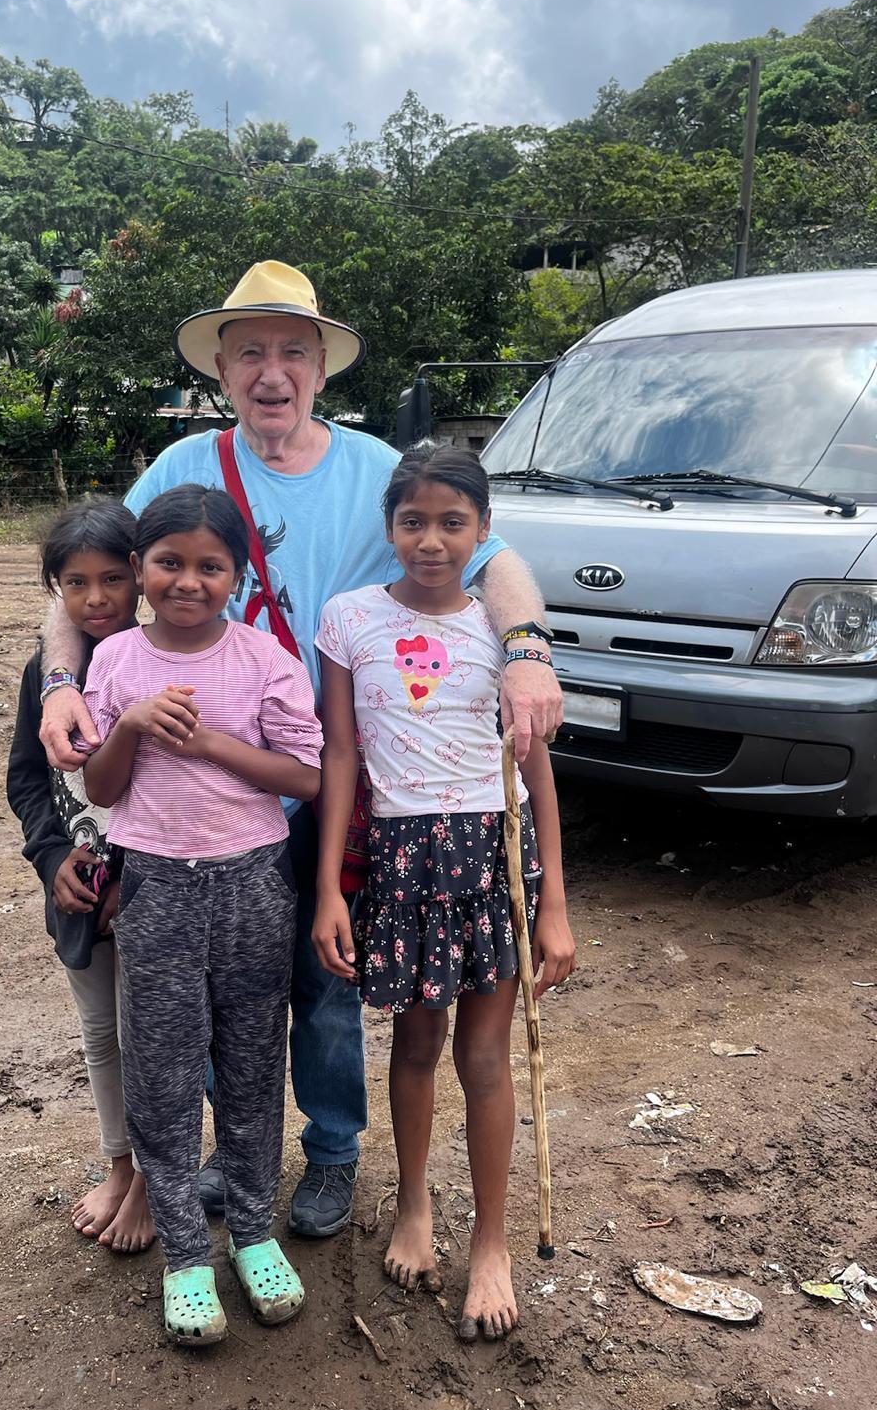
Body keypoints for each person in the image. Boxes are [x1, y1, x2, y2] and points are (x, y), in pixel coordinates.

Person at [38, 260, 565, 1238]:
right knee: (207, 986)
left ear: (321, 365)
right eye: (250, 354)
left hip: (331, 779)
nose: (270, 372)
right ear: (224, 371)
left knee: (326, 980)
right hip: (199, 792)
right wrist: (63, 681)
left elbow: (502, 564)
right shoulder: (179, 473)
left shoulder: (380, 473)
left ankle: (330, 1152)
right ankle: (233, 1152)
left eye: (290, 351)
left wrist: (528, 651)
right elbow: (82, 585)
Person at [312, 442, 576, 1342]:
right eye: (413, 521)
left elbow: (536, 775)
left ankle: (493, 1242)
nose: (431, 540)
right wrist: (328, 890)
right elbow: (339, 754)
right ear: (389, 529)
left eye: (452, 522)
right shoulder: (348, 620)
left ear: (484, 531)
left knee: (488, 1054)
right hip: (397, 856)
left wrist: (556, 906)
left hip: (490, 854)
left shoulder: (507, 642)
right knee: (417, 1041)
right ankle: (415, 1203)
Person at [78, 484, 323, 1345]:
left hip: (254, 882)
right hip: (155, 886)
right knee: (164, 1072)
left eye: (210, 566)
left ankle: (254, 1232)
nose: (188, 581)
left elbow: (306, 778)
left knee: (254, 1064)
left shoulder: (263, 661)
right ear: (140, 570)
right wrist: (133, 726)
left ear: (240, 576)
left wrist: (210, 743)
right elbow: (100, 790)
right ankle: (187, 1252)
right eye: (169, 562)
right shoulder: (114, 664)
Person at [6, 497, 154, 1254]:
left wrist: (139, 878)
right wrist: (52, 857)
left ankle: (158, 1179)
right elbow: (29, 778)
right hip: (76, 891)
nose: (95, 600)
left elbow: (176, 790)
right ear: (55, 588)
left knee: (156, 1035)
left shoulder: (166, 661)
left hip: (151, 890)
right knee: (101, 1034)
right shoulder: (49, 672)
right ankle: (121, 1165)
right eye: (74, 583)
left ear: (139, 576)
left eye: (110, 580)